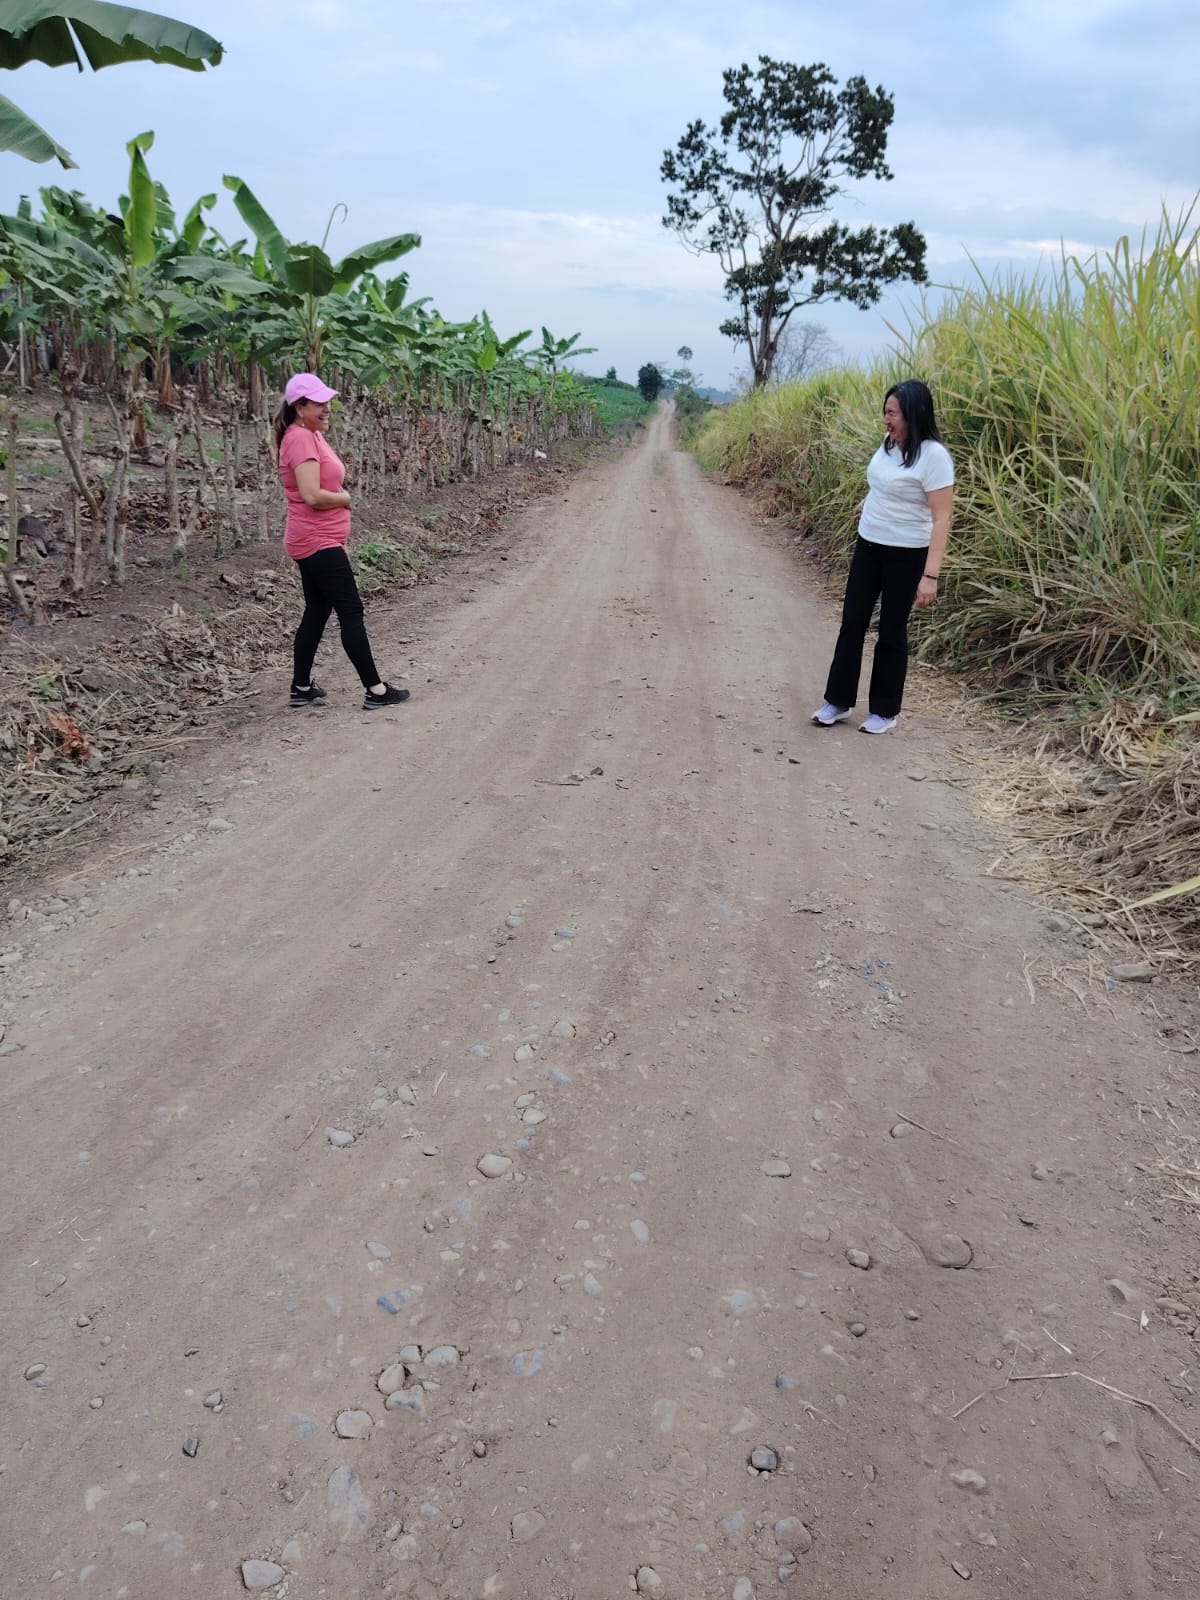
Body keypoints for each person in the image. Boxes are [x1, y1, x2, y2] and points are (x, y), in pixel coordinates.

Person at [811, 379, 953, 735]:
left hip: (907, 553)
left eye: (893, 414)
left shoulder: (934, 457)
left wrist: (930, 576)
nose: (886, 419)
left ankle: (885, 711)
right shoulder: (889, 443)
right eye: (885, 412)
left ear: (914, 414)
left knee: (891, 630)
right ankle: (837, 701)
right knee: (852, 622)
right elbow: (882, 482)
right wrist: (867, 503)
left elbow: (942, 518)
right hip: (869, 544)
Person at [274, 372, 410, 709]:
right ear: (299, 406)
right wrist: (345, 499)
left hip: (319, 538)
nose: (327, 408)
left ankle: (301, 686)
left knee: (318, 610)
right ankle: (376, 690)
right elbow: (311, 495)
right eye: (319, 403)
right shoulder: (300, 439)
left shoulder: (311, 434)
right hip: (316, 539)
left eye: (328, 402)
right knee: (351, 611)